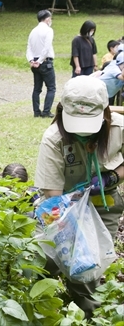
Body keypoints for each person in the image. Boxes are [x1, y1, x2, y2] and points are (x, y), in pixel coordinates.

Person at [34, 76, 124, 318]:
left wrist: (112, 177)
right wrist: (72, 237)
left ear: (105, 113)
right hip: (64, 210)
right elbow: (52, 197)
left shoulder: (119, 128)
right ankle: (40, 302)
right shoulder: (54, 138)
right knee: (50, 260)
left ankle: (91, 314)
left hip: (104, 203)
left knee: (88, 269)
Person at [26, 9, 56, 118]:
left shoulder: (33, 31)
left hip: (34, 62)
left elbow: (29, 47)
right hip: (45, 62)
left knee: (37, 88)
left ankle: (36, 111)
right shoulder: (48, 30)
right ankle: (46, 111)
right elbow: (46, 48)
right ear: (47, 19)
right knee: (51, 88)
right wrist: (40, 61)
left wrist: (31, 60)